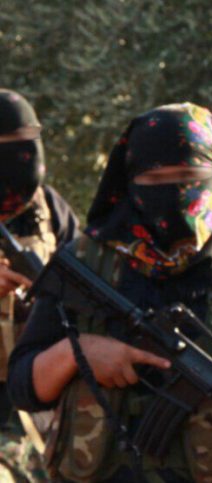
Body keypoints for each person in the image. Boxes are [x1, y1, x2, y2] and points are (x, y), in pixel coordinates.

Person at [7, 103, 212, 482]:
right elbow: (22, 386)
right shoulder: (87, 264)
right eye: (154, 179)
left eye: (190, 176)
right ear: (129, 182)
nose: (175, 193)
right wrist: (78, 352)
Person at [0, 88, 79, 482]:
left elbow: (85, 289)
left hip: (42, 397)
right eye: (9, 147)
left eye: (29, 143)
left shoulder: (50, 209)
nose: (24, 158)